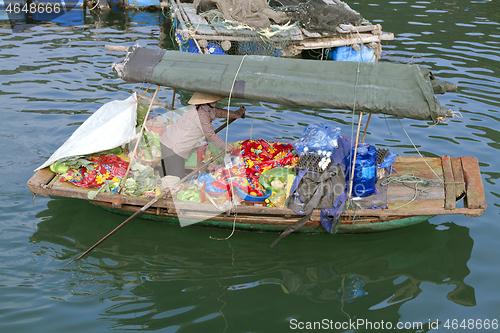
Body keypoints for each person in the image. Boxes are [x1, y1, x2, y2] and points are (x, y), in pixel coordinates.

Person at [160, 92, 246, 178]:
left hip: (168, 140)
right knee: (176, 177)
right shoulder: (201, 114)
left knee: (167, 173)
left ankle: (163, 186)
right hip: (173, 146)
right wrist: (224, 145)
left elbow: (220, 112)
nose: (215, 102)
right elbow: (210, 135)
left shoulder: (206, 108)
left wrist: (237, 114)